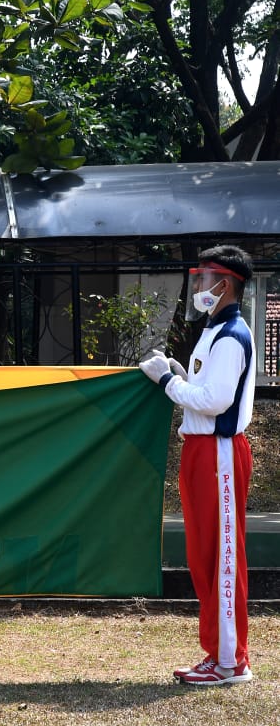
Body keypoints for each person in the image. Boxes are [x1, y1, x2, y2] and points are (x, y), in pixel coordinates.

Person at [140, 245, 256, 686]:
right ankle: (219, 653)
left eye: (206, 279)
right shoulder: (214, 329)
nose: (199, 287)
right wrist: (181, 377)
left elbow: (216, 401)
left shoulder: (230, 335)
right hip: (203, 451)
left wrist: (168, 382)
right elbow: (205, 389)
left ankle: (230, 662)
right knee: (205, 556)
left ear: (225, 284)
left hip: (219, 451)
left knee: (222, 557)